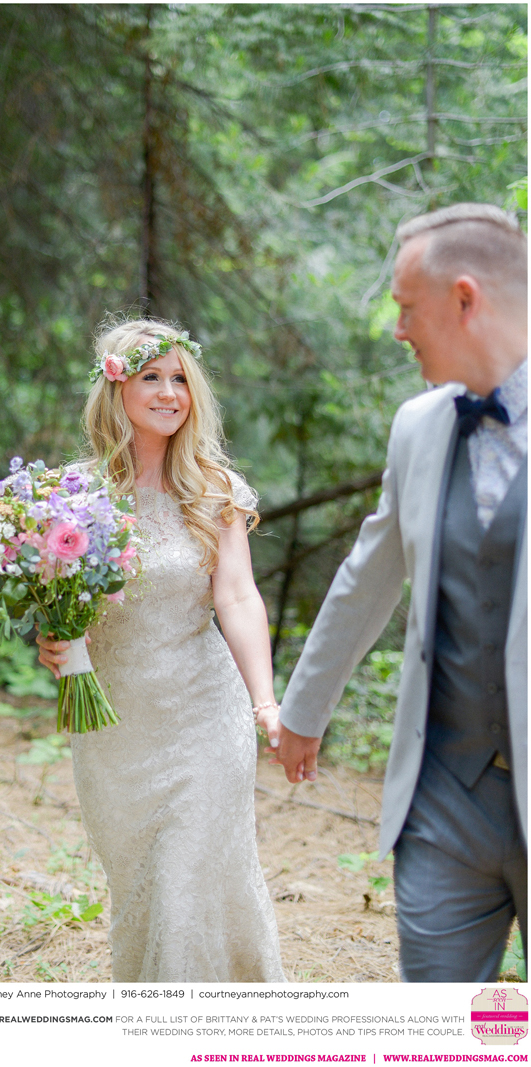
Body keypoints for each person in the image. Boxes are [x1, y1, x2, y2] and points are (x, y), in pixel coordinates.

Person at [274, 203, 527, 982]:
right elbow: (368, 574)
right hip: (443, 799)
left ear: (464, 298)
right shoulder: (417, 426)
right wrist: (303, 710)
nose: (397, 330)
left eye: (406, 307)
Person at [37, 317, 285, 982]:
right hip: (116, 726)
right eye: (152, 377)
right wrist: (55, 639)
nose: (170, 393)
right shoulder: (73, 496)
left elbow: (237, 596)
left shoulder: (213, 489)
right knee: (143, 890)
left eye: (180, 379)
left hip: (205, 715)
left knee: (187, 875)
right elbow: (63, 610)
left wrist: (264, 702)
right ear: (116, 387)